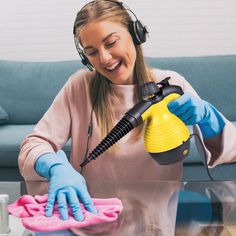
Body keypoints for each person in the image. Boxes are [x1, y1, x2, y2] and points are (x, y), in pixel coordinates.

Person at [18, 0, 236, 226]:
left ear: (135, 34)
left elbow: (232, 147)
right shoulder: (79, 86)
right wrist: (55, 167)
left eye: (111, 42)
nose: (104, 58)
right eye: (91, 52)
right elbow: (34, 144)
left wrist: (209, 117)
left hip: (153, 223)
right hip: (90, 219)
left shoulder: (171, 85)